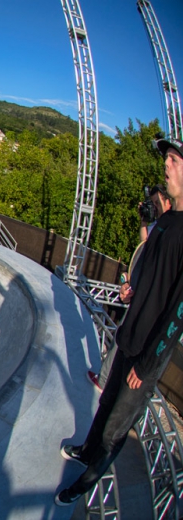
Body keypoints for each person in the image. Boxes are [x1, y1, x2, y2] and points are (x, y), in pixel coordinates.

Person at [56, 136, 183, 507]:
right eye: (167, 160)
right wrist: (132, 288)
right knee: (105, 404)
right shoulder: (165, 223)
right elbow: (148, 271)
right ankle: (84, 450)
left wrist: (147, 365)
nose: (167, 166)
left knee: (115, 429)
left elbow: (177, 311)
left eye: (175, 161)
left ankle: (83, 485)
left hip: (147, 352)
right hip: (130, 335)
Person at [87, 183, 173, 391]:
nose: (154, 208)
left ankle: (108, 381)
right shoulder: (159, 226)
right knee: (122, 336)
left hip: (151, 304)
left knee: (125, 339)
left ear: (166, 200)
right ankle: (107, 379)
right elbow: (144, 244)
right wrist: (144, 219)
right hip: (140, 294)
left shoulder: (171, 228)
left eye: (156, 203)